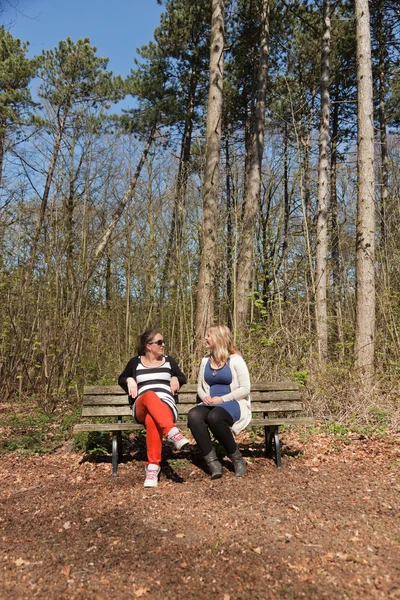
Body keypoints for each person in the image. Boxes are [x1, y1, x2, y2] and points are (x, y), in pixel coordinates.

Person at [118, 328, 189, 488]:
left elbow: (182, 377)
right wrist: (129, 379)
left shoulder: (169, 361)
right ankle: (172, 432)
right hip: (141, 405)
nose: (163, 345)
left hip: (166, 406)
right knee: (150, 395)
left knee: (153, 419)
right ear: (148, 346)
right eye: (159, 342)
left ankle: (152, 467)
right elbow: (121, 378)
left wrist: (176, 377)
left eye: (163, 342)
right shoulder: (135, 362)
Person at [188, 324, 251, 479]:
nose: (206, 339)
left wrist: (222, 399)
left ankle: (236, 458)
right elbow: (200, 387)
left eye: (209, 335)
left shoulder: (235, 360)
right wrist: (205, 397)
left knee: (214, 417)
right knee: (194, 415)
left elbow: (245, 388)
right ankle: (213, 462)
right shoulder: (205, 361)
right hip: (211, 403)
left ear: (219, 338)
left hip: (233, 403)